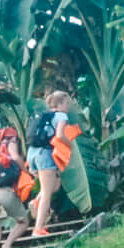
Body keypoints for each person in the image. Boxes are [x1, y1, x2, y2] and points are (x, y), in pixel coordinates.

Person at [28, 93, 83, 236]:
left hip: (32, 153)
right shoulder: (61, 116)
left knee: (55, 185)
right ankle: (38, 229)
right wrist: (69, 145)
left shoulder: (43, 115)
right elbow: (59, 135)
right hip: (44, 155)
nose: (67, 107)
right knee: (47, 193)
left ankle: (36, 202)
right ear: (59, 104)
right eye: (66, 104)